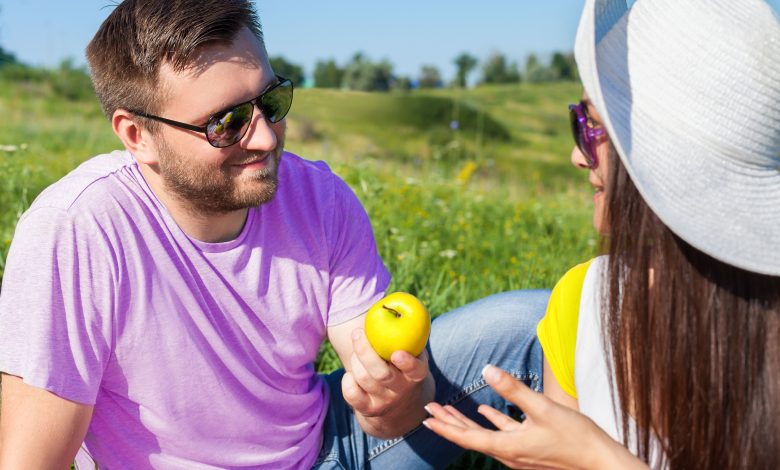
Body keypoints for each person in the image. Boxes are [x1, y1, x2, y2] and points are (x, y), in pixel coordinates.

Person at [0, 1, 550, 468]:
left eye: (272, 101)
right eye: (226, 123)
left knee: (538, 323)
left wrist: (394, 398)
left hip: (330, 445)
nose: (264, 137)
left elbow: (393, 411)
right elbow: (32, 459)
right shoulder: (81, 228)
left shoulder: (319, 197)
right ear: (137, 135)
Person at [423, 0, 780, 468]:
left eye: (591, 127)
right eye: (582, 121)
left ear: (663, 159)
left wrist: (595, 456)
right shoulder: (580, 302)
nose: (577, 156)